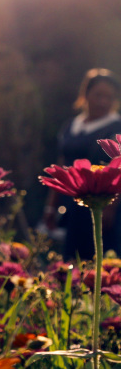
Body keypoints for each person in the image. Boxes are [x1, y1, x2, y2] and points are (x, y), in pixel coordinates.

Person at [44, 69, 121, 259]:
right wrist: (51, 206)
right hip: (73, 204)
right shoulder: (71, 125)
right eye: (98, 95)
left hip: (106, 204)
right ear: (85, 95)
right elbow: (62, 165)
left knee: (103, 260)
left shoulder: (116, 127)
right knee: (71, 260)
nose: (103, 101)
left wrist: (110, 208)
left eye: (109, 97)